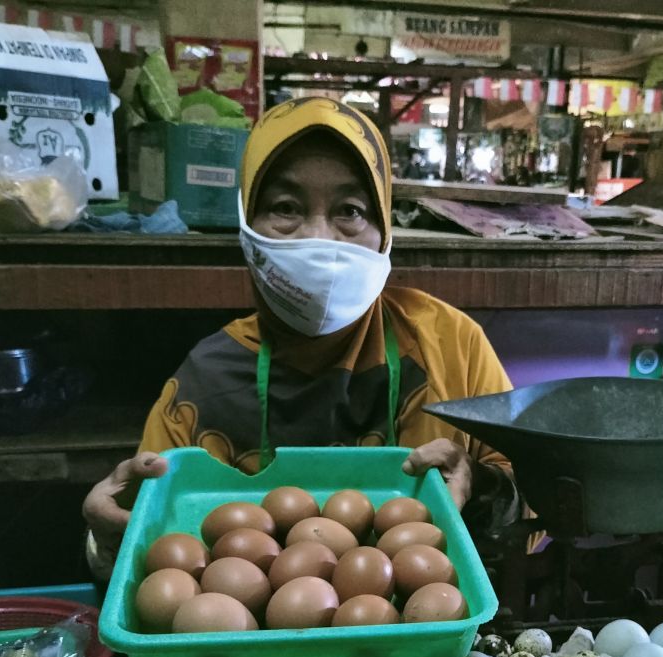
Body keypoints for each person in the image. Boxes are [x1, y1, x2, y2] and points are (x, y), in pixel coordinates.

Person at [83, 97, 520, 576]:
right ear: (247, 225)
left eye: (350, 210)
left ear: (385, 229)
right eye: (285, 207)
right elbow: (161, 572)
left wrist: (479, 487)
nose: (320, 238)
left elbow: (532, 515)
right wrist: (111, 547)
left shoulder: (451, 347)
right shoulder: (204, 388)